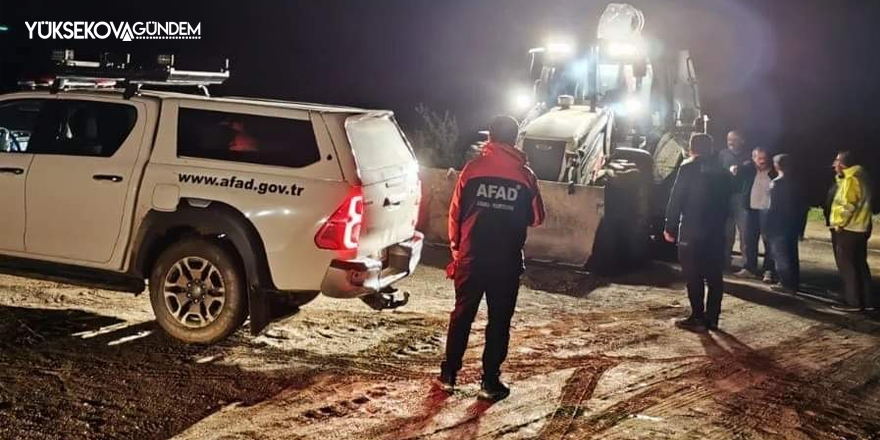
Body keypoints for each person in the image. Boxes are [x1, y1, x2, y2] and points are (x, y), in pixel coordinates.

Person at [438, 115, 546, 400]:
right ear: (514, 140)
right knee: (499, 321)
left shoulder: (472, 170)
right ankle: (489, 381)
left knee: (462, 315)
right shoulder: (526, 176)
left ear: (490, 138)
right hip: (507, 263)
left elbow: (455, 214)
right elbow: (537, 218)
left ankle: (449, 375)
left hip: (471, 257)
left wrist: (457, 251)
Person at [664, 133, 731, 332]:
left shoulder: (688, 168)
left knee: (693, 275)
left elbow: (676, 199)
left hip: (692, 230)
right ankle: (713, 318)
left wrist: (670, 226)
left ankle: (698, 317)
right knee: (714, 275)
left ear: (692, 148)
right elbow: (728, 203)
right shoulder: (723, 172)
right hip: (716, 232)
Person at [828, 151, 875, 312]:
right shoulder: (861, 176)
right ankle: (866, 300)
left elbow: (848, 205)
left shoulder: (851, 179)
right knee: (859, 264)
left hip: (850, 229)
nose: (834, 165)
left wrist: (839, 224)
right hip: (860, 228)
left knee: (848, 266)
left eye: (836, 161)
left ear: (842, 163)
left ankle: (853, 302)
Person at [732, 148, 777, 283]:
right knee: (749, 240)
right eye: (759, 158)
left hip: (769, 212)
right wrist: (733, 168)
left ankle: (768, 270)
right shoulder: (748, 170)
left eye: (764, 158)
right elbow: (736, 169)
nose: (762, 161)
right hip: (751, 210)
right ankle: (750, 268)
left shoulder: (774, 172)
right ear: (753, 158)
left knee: (769, 242)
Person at [765, 154, 800, 293]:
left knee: (780, 255)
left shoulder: (776, 183)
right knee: (792, 253)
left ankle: (786, 284)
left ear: (777, 165)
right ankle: (794, 282)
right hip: (792, 224)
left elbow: (772, 207)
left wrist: (767, 226)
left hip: (779, 224)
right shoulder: (797, 182)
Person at [718, 130, 751, 271]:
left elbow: (752, 168)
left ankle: (747, 264)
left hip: (741, 198)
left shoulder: (748, 155)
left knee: (745, 231)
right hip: (725, 197)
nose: (730, 141)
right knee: (726, 232)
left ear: (742, 141)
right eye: (728, 139)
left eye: (734, 139)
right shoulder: (722, 154)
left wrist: (741, 167)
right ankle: (725, 261)